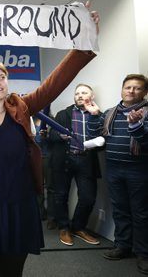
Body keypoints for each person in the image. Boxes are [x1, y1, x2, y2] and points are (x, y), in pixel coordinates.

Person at [0, 4, 99, 277]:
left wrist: (83, 44)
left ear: (7, 82)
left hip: (19, 201)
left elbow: (55, 83)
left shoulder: (22, 106)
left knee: (12, 273)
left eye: (2, 77)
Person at [85, 74, 148, 275]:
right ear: (122, 90)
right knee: (120, 210)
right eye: (128, 87)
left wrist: (135, 125)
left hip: (139, 169)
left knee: (141, 213)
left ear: (144, 92)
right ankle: (123, 246)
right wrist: (94, 115)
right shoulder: (111, 112)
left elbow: (145, 142)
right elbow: (96, 133)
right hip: (113, 167)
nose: (131, 91)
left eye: (137, 88)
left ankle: (143, 254)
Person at [48, 84, 101, 247]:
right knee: (61, 196)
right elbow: (52, 136)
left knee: (88, 197)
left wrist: (96, 116)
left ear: (91, 96)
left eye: (84, 92)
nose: (79, 95)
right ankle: (64, 227)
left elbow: (102, 137)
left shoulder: (98, 114)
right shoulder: (63, 113)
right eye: (77, 93)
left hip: (86, 160)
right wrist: (60, 135)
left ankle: (78, 227)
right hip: (64, 159)